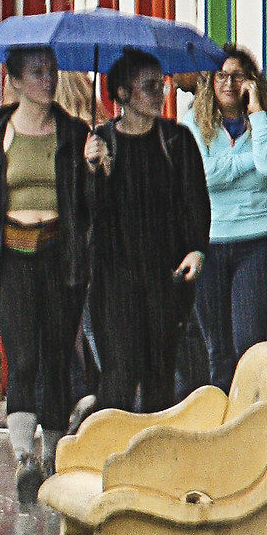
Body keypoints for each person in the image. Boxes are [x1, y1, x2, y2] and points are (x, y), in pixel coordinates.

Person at [0, 45, 92, 496]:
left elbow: (90, 208)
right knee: (23, 358)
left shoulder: (74, 134)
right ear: (14, 80)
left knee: (55, 359)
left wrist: (94, 167)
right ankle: (23, 459)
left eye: (51, 70)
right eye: (37, 73)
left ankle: (50, 455)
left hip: (60, 259)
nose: (48, 80)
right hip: (12, 260)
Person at [82, 50, 208, 418]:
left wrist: (196, 250)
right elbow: (88, 212)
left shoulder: (176, 140)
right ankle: (106, 456)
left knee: (160, 376)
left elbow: (196, 202)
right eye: (150, 86)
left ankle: (154, 461)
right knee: (119, 375)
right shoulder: (101, 142)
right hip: (113, 280)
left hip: (165, 276)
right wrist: (93, 171)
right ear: (122, 94)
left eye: (162, 85)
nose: (161, 93)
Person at [194, 45, 267, 392]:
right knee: (218, 348)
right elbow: (202, 176)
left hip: (259, 242)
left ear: (250, 81)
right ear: (211, 81)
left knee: (250, 343)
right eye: (221, 75)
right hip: (210, 241)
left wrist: (258, 112)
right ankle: (224, 426)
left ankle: (253, 419)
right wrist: (246, 162)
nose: (229, 82)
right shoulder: (193, 120)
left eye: (238, 76)